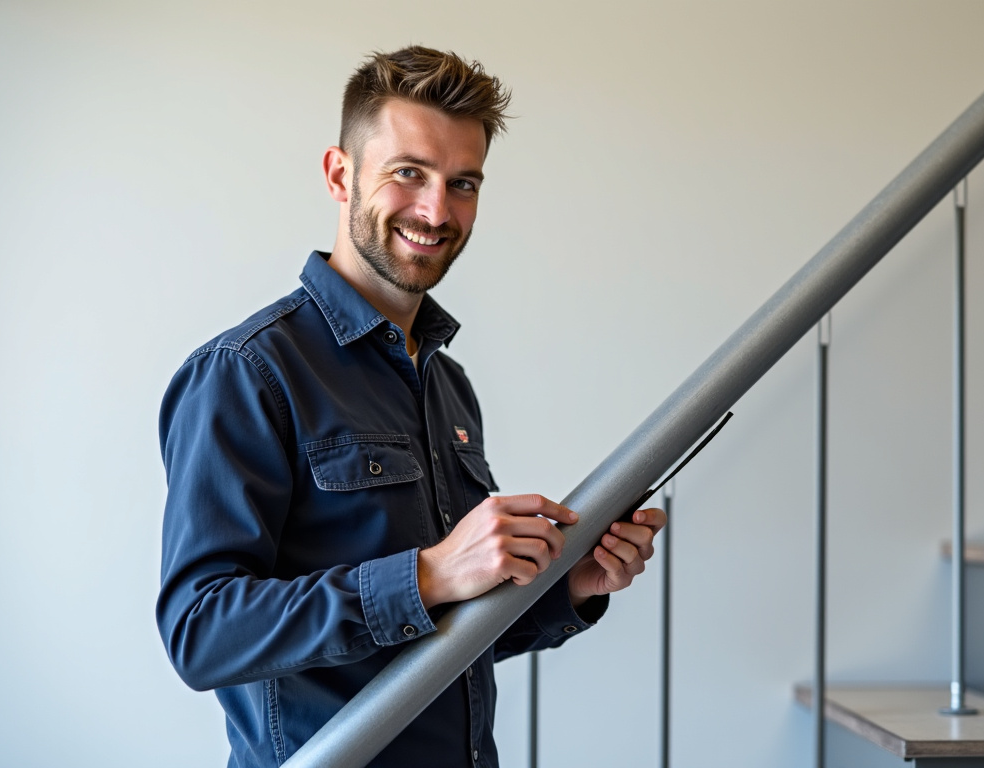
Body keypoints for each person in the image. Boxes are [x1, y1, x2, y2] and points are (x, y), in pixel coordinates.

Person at [156, 46, 665, 767]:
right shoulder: (246, 374)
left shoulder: (446, 382)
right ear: (340, 174)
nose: (436, 210)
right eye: (408, 173)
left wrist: (570, 590)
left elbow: (439, 633)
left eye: (463, 183)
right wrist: (429, 574)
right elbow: (202, 633)